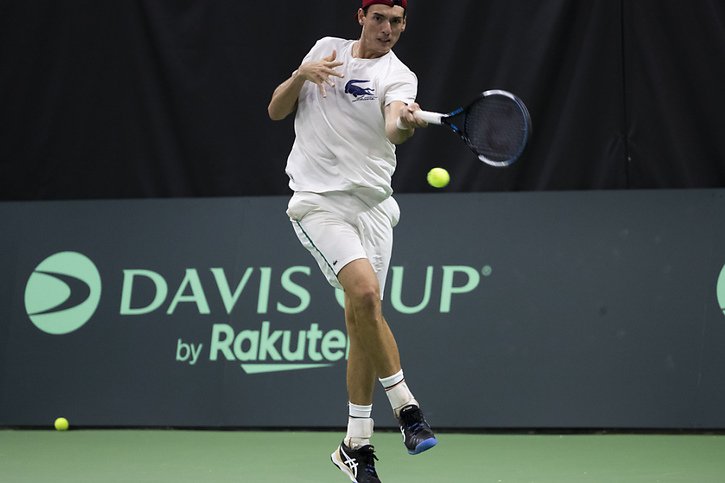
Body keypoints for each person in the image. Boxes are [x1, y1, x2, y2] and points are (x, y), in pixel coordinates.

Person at [268, 1, 436, 481]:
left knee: (364, 318)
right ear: (360, 16)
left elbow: (393, 127)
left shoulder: (400, 77)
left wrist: (403, 120)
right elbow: (276, 110)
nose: (387, 29)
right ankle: (408, 409)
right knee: (364, 294)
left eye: (397, 22)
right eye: (379, 18)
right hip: (319, 203)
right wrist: (300, 75)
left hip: (375, 209)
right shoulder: (326, 52)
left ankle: (355, 445)